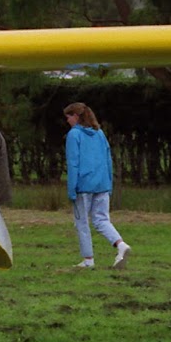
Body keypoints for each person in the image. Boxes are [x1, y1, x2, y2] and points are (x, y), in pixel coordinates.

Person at [64, 101, 130, 268]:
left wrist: (71, 189)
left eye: (68, 117)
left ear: (76, 116)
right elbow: (108, 160)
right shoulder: (99, 134)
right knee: (101, 219)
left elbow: (73, 163)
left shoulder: (74, 135)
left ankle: (88, 259)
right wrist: (109, 183)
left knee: (82, 222)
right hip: (102, 184)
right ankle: (120, 244)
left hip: (83, 185)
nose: (67, 120)